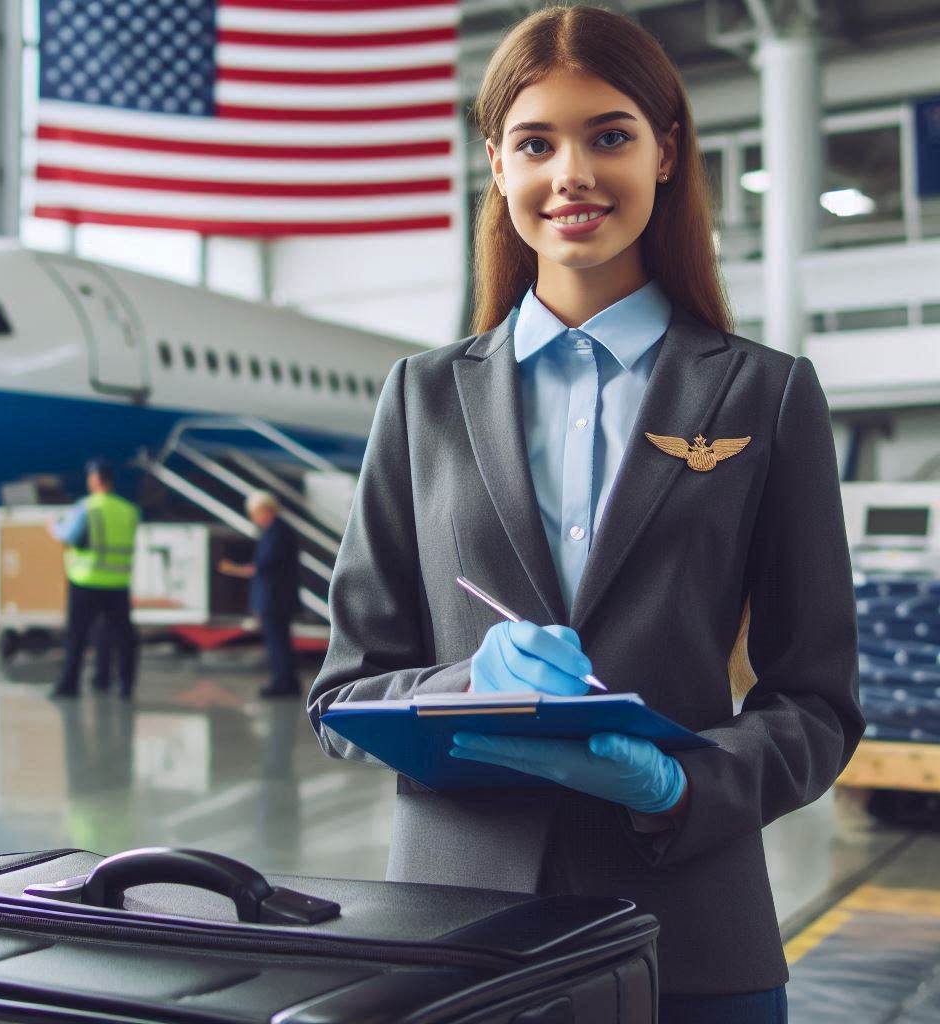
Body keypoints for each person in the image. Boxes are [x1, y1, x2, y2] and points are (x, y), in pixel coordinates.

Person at [308, 6, 864, 1023]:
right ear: (495, 165)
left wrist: (676, 783)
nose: (571, 173)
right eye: (535, 142)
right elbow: (341, 695)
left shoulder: (762, 396)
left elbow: (818, 704)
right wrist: (466, 685)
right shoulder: (422, 399)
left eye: (609, 134)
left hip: (689, 934)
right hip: (456, 936)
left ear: (664, 153)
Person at [50, 458, 139, 701]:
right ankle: (125, 686)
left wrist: (55, 526)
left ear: (96, 479)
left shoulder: (87, 508)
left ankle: (70, 684)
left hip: (86, 580)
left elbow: (68, 535)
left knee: (77, 636)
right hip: (118, 582)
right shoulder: (129, 510)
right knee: (122, 637)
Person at [220, 491, 302, 698]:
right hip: (278, 597)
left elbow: (264, 566)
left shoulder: (276, 533)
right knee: (280, 641)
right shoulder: (278, 531)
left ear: (264, 510)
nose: (253, 518)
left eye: (255, 513)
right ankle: (286, 681)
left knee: (278, 642)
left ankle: (283, 683)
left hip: (275, 599)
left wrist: (232, 569)